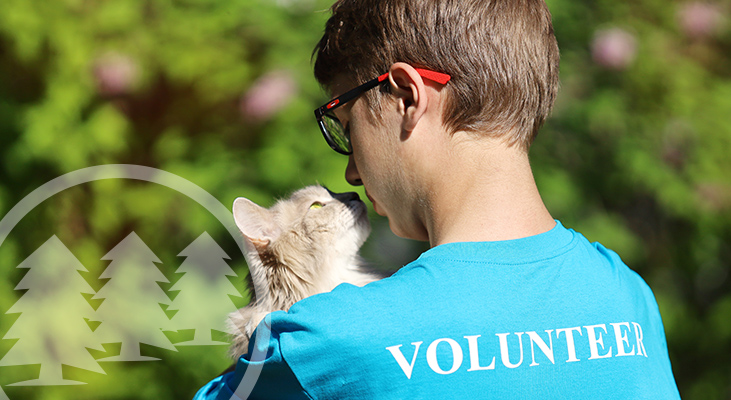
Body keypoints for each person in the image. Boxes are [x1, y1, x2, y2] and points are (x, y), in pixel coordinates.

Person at [195, 0, 681, 398]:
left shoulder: (324, 343)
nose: (351, 172)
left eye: (348, 128)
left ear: (407, 97)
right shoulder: (627, 297)